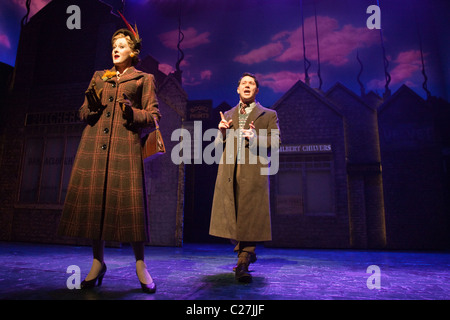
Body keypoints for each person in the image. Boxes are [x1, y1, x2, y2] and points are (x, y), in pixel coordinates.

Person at [57, 19, 160, 293]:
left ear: (133, 51)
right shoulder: (98, 77)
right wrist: (91, 106)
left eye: (122, 45)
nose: (116, 49)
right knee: (95, 208)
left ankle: (140, 264)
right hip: (94, 146)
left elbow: (153, 117)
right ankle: (97, 262)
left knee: (131, 209)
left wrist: (132, 112)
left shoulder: (143, 79)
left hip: (124, 150)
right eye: (114, 45)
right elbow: (82, 113)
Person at [209, 72, 281, 283]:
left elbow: (276, 143)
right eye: (243, 83)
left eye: (251, 83)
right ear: (238, 89)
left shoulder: (268, 115)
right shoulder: (228, 114)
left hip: (253, 173)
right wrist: (221, 132)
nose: (247, 86)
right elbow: (215, 149)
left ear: (257, 90)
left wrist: (255, 137)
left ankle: (243, 261)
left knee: (249, 216)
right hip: (229, 173)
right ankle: (247, 252)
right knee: (234, 217)